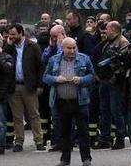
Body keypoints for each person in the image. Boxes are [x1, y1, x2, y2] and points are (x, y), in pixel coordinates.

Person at [42, 38, 94, 166]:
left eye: (73, 48)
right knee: (65, 132)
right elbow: (45, 77)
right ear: (63, 48)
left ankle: (86, 159)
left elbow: (92, 76)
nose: (72, 51)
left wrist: (81, 80)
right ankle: (65, 159)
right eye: (69, 48)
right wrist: (55, 79)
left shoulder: (84, 58)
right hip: (62, 101)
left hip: (80, 101)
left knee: (83, 131)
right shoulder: (54, 60)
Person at [5, 24, 44, 152]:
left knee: (34, 115)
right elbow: (4, 60)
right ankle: (19, 142)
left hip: (29, 86)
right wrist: (8, 46)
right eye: (10, 34)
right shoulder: (10, 48)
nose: (11, 37)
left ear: (21, 33)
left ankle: (38, 140)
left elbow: (40, 66)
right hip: (14, 86)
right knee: (17, 116)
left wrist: (39, 85)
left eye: (14, 34)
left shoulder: (32, 46)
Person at [96, 21, 129, 150]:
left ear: (115, 30)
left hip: (115, 83)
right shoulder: (109, 42)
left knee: (116, 111)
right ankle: (105, 138)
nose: (105, 32)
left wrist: (114, 77)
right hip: (105, 81)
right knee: (104, 111)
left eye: (108, 29)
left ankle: (120, 138)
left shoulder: (123, 42)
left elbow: (124, 64)